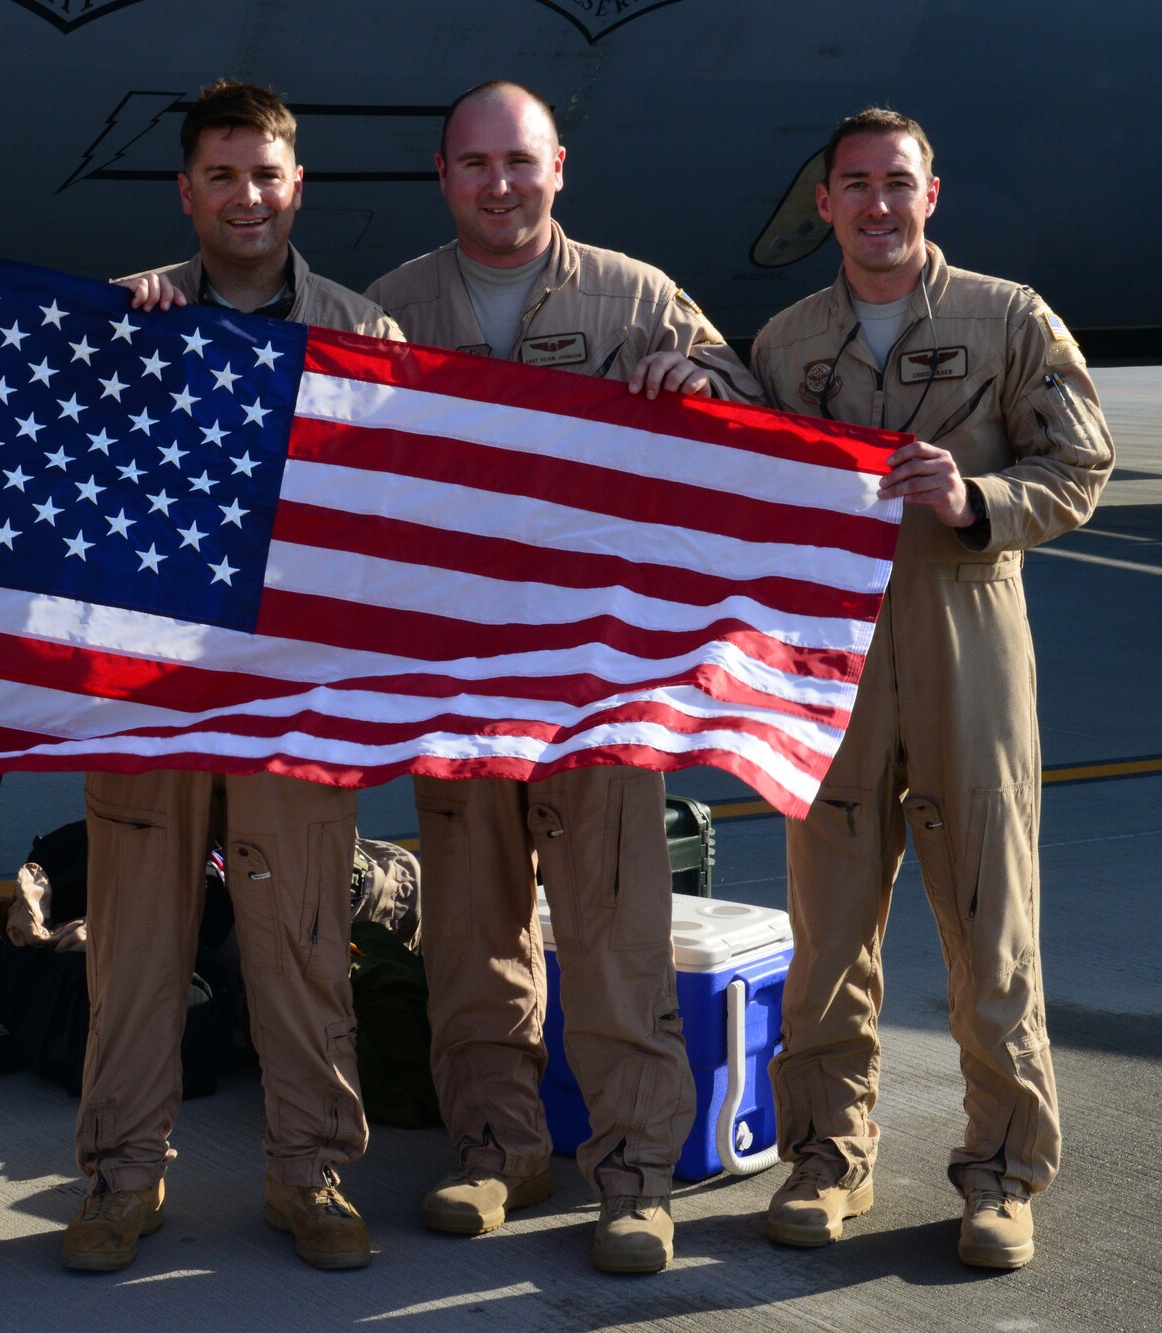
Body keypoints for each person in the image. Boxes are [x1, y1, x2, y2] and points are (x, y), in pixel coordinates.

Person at [363, 80, 759, 1274]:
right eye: (475, 165)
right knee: (472, 933)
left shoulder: (634, 299)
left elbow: (745, 409)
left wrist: (702, 390)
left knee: (613, 933)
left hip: (596, 682)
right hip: (460, 676)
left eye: (519, 163)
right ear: (443, 176)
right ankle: (496, 1149)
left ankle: (633, 1178)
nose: (498, 185)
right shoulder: (393, 308)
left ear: (558, 167)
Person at [750, 107, 1113, 1270]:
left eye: (894, 184)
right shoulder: (784, 344)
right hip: (831, 661)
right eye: (851, 185)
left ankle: (1000, 1173)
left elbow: (1077, 464)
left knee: (989, 922)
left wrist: (972, 501)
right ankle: (826, 1156)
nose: (873, 205)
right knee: (827, 927)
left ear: (930, 194)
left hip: (967, 637)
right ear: (823, 204)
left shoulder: (1006, 319)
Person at [62, 79, 403, 1275]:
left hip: (293, 699)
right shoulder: (130, 325)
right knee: (136, 949)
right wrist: (123, 345)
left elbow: (399, 525)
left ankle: (308, 1176)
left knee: (303, 942)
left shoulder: (366, 339)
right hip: (148, 695)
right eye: (221, 175)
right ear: (186, 191)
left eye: (265, 174)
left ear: (295, 184)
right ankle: (117, 1181)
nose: (245, 197)